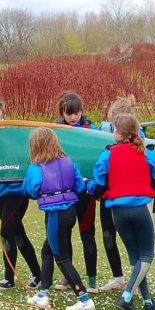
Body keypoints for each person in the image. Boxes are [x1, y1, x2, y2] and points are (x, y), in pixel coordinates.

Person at [87, 113, 155, 310]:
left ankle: (147, 301)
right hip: (140, 209)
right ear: (137, 131)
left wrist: (87, 184)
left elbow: (98, 187)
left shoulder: (107, 155)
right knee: (146, 255)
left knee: (135, 257)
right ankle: (127, 296)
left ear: (116, 132)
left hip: (117, 212)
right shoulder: (148, 154)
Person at [22, 127, 95, 310]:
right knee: (47, 251)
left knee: (61, 257)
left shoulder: (36, 167)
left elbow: (30, 190)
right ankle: (43, 293)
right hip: (70, 212)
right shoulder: (69, 162)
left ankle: (83, 297)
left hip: (54, 214)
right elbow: (79, 185)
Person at [0, 95, 41, 289]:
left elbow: (23, 155)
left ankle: (8, 278)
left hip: (16, 191)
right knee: (18, 234)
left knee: (6, 231)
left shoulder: (14, 132)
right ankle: (38, 274)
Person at [95, 95, 145, 292]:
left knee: (135, 242)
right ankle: (118, 278)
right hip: (108, 196)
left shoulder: (139, 140)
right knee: (108, 236)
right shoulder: (103, 134)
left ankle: (139, 281)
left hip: (129, 198)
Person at [55, 91, 98, 292]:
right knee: (65, 234)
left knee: (87, 234)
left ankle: (92, 279)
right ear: (62, 113)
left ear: (81, 111)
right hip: (65, 192)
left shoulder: (92, 130)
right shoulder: (55, 131)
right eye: (69, 113)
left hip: (87, 193)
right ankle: (67, 275)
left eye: (76, 113)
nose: (73, 117)